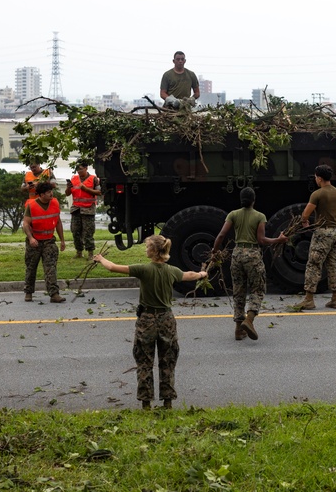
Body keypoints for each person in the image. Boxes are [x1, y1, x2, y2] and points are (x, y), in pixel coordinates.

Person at [94, 236, 207, 410]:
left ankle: (146, 403)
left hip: (147, 320)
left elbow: (112, 267)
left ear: (154, 251)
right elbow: (188, 275)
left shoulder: (144, 270)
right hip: (167, 320)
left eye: (147, 247)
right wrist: (201, 274)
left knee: (144, 361)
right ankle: (167, 402)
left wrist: (101, 259)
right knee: (167, 361)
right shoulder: (171, 270)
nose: (146, 250)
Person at [211, 187, 287, 341]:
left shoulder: (233, 214)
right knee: (257, 289)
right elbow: (262, 240)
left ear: (241, 200)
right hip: (252, 255)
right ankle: (249, 320)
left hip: (237, 254)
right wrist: (278, 240)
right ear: (254, 200)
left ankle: (239, 330)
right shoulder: (260, 216)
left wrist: (215, 252)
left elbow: (221, 235)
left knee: (238, 291)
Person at [292, 164, 336, 311]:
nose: (315, 179)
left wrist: (304, 222)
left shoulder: (318, 194)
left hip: (322, 233)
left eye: (316, 177)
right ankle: (335, 299)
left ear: (319, 178)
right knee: (333, 265)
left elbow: (305, 214)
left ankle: (309, 299)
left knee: (314, 264)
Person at [22, 181, 67, 303]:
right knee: (31, 267)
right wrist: (31, 238)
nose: (51, 194)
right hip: (35, 241)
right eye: (48, 192)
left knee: (50, 268)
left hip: (49, 241)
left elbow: (58, 222)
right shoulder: (32, 206)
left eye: (51, 191)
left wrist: (62, 240)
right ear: (41, 195)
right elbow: (25, 224)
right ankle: (28, 292)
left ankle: (54, 294)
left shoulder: (55, 203)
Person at [65, 162, 101, 258]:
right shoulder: (74, 179)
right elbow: (67, 193)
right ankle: (79, 252)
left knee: (88, 232)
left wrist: (85, 189)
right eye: (77, 169)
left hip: (88, 209)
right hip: (76, 209)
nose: (79, 171)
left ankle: (90, 253)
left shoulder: (94, 179)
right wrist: (68, 187)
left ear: (86, 168)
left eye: (81, 169)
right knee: (75, 231)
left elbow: (99, 192)